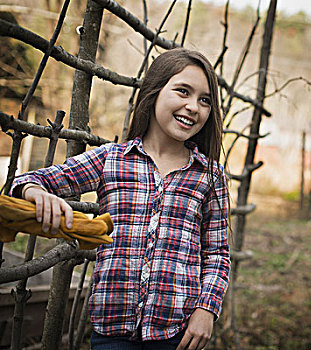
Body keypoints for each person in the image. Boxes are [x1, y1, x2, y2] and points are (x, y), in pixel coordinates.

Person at [10, 48, 230, 350]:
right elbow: (28, 180)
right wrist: (33, 192)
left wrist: (207, 310)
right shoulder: (112, 160)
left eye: (205, 100)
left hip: (177, 335)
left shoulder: (209, 175)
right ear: (154, 92)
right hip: (111, 332)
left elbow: (217, 253)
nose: (193, 107)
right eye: (183, 91)